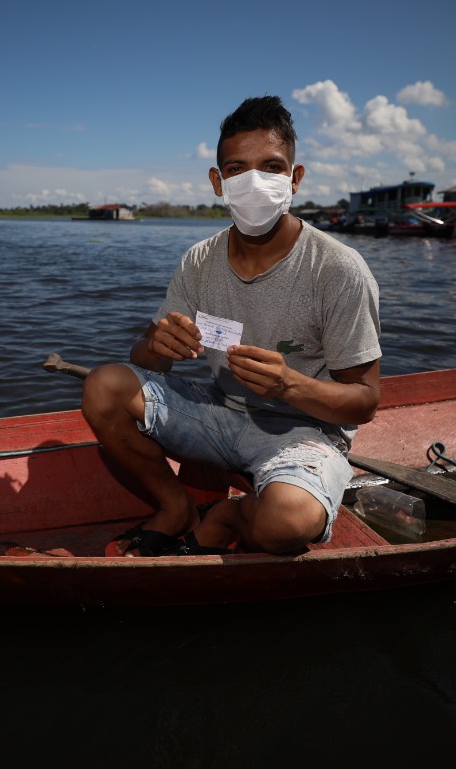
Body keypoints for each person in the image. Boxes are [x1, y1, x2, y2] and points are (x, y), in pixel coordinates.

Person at [81, 95, 382, 556]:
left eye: (272, 166)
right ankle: (174, 507)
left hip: (305, 434)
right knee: (104, 387)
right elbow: (142, 358)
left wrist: (289, 385)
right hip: (219, 412)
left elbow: (363, 401)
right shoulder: (199, 260)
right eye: (238, 169)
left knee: (287, 523)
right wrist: (159, 346)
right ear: (218, 182)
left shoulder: (338, 268)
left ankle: (227, 515)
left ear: (295, 178)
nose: (255, 182)